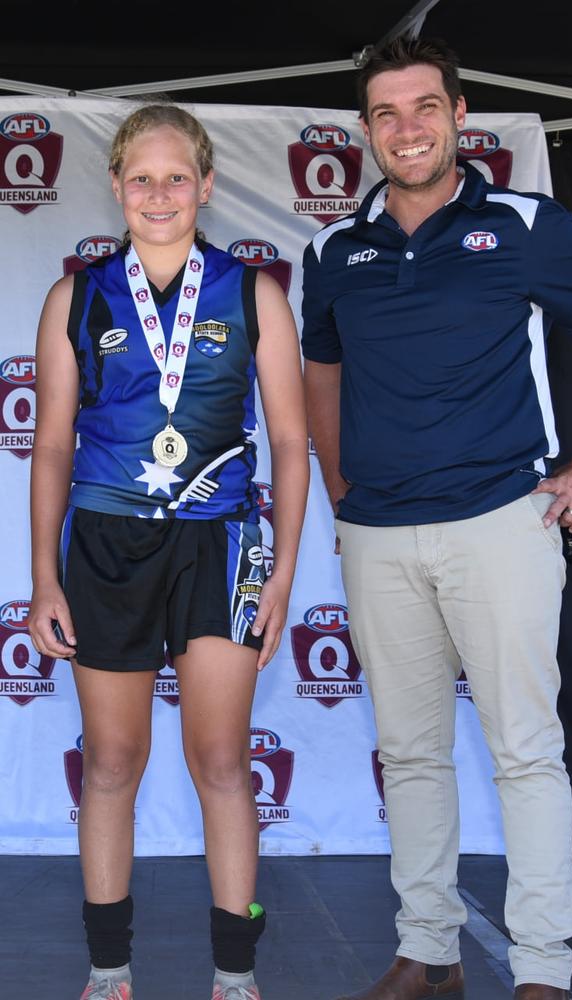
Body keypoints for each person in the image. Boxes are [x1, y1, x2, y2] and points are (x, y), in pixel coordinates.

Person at [301, 37, 572, 1000]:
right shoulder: (336, 251)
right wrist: (342, 493)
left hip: (501, 520)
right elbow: (318, 372)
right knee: (409, 755)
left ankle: (540, 971)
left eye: (423, 108)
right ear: (364, 131)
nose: (405, 129)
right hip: (379, 534)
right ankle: (430, 953)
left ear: (461, 115)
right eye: (385, 114)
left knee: (525, 753)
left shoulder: (527, 222)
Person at [28, 103, 309, 1000]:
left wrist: (284, 575)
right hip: (105, 545)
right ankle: (110, 971)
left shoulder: (254, 291)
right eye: (140, 177)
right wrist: (42, 578)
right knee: (112, 764)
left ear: (208, 185)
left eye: (176, 176)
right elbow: (53, 448)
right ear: (114, 186)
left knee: (222, 762)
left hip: (220, 544)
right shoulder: (75, 296)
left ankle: (235, 977)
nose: (158, 193)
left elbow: (294, 445)